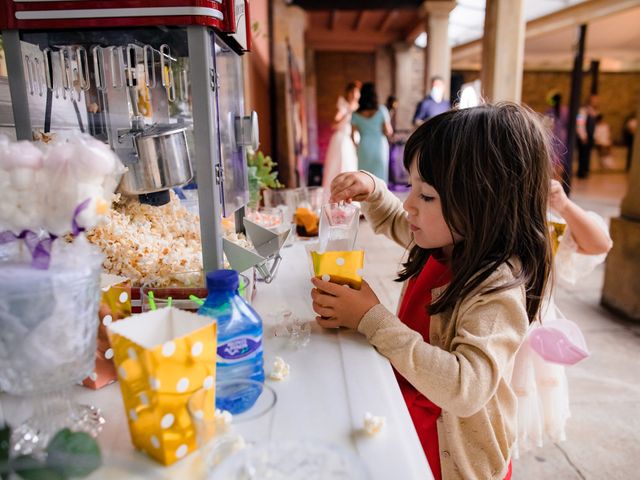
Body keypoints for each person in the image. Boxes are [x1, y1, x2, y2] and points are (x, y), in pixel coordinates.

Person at [312, 103, 553, 480]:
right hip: (416, 415)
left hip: (453, 456)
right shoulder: (446, 241)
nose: (409, 204)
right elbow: (398, 219)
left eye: (426, 196)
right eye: (411, 187)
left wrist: (372, 319)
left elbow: (465, 386)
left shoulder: (496, 286)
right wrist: (374, 190)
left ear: (482, 202)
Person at [512, 179, 612, 456]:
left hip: (529, 333)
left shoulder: (545, 223)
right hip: (493, 328)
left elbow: (599, 243)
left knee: (513, 414)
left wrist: (563, 204)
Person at [322, 81, 361, 189]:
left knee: (350, 168)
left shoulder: (358, 107)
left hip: (350, 141)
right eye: (352, 92)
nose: (354, 95)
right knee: (339, 167)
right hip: (341, 140)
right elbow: (334, 124)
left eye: (357, 92)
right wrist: (349, 112)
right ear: (348, 93)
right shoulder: (343, 106)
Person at [351, 83, 393, 183]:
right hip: (380, 145)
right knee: (380, 177)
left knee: (364, 178)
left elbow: (353, 136)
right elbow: (388, 131)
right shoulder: (382, 110)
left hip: (364, 146)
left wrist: (358, 147)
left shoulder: (355, 114)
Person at [545, 91, 570, 178]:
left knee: (553, 157)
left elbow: (546, 125)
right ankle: (559, 177)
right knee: (561, 158)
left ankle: (552, 177)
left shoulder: (549, 111)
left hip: (553, 135)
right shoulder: (566, 110)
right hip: (563, 136)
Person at [576, 95, 598, 178]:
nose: (596, 102)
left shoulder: (593, 111)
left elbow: (593, 125)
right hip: (584, 137)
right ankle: (581, 172)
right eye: (594, 100)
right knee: (582, 156)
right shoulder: (582, 111)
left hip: (590, 137)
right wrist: (583, 136)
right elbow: (580, 124)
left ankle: (585, 171)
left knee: (587, 155)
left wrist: (594, 136)